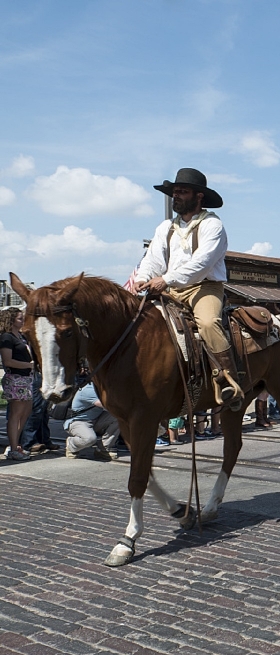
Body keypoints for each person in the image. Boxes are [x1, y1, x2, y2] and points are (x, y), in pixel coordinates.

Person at [133, 168, 243, 408]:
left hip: (204, 287)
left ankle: (229, 382)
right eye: (175, 192)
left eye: (183, 192)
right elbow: (152, 259)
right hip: (172, 290)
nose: (177, 196)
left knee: (208, 322)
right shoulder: (165, 228)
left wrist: (165, 279)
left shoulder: (212, 224)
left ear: (199, 196)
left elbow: (202, 264)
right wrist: (143, 277)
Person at [1, 308, 34, 461]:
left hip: (26, 378)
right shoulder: (7, 337)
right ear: (12, 320)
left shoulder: (21, 336)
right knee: (16, 413)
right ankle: (13, 448)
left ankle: (15, 444)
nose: (22, 321)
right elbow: (8, 361)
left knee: (26, 411)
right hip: (15, 378)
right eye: (20, 318)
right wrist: (29, 365)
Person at [64, 379, 120, 460]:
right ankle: (72, 444)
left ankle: (103, 448)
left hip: (95, 420)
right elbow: (107, 406)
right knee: (90, 439)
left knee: (117, 417)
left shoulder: (103, 389)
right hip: (78, 422)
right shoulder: (89, 390)